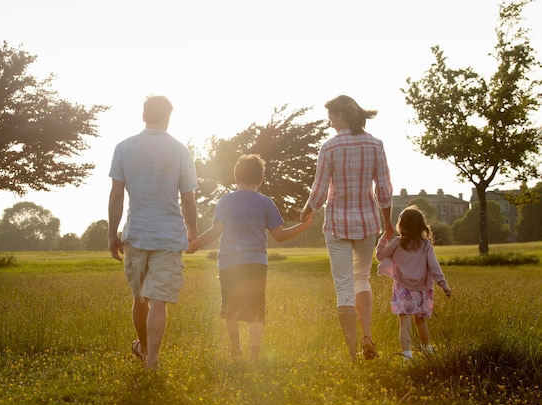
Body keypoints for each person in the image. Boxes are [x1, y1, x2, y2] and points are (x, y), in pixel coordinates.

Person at [187, 154, 312, 360]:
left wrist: (194, 244)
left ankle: (236, 351)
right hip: (256, 264)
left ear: (236, 177)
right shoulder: (266, 203)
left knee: (230, 305)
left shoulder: (226, 201)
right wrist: (303, 225)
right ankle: (255, 355)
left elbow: (214, 231)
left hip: (229, 264)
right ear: (260, 180)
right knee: (255, 307)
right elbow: (279, 236)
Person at [300, 95, 394, 361]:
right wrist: (387, 223)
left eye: (331, 118)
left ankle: (352, 354)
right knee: (361, 278)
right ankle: (367, 336)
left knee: (343, 286)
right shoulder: (376, 144)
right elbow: (384, 190)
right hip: (367, 223)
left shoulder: (329, 148)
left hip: (338, 224)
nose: (330, 124)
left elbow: (318, 192)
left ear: (341, 116)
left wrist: (306, 211)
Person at [108, 95, 198, 370]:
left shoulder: (124, 147)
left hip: (136, 234)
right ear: (168, 117)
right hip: (169, 236)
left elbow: (116, 195)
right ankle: (152, 360)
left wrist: (112, 232)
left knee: (139, 298)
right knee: (159, 301)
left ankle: (145, 348)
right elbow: (188, 198)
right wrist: (193, 232)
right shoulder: (180, 150)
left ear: (144, 115)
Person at [375, 205, 452, 361]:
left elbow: (380, 256)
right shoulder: (425, 245)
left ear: (401, 225)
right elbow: (434, 266)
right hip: (421, 290)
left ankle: (407, 355)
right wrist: (443, 284)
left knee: (405, 321)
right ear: (421, 226)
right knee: (420, 320)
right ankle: (426, 349)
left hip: (402, 289)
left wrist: (383, 238)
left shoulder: (397, 242)